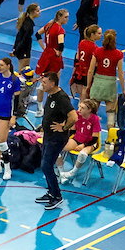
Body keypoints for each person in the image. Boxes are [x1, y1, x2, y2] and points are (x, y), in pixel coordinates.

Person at [36, 70, 74, 207]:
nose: (42, 85)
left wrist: (63, 128)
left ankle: (57, 195)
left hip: (57, 138)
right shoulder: (51, 95)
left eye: (45, 83)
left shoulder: (61, 98)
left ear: (52, 83)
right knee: (45, 165)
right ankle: (51, 192)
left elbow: (73, 117)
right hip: (48, 136)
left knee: (46, 165)